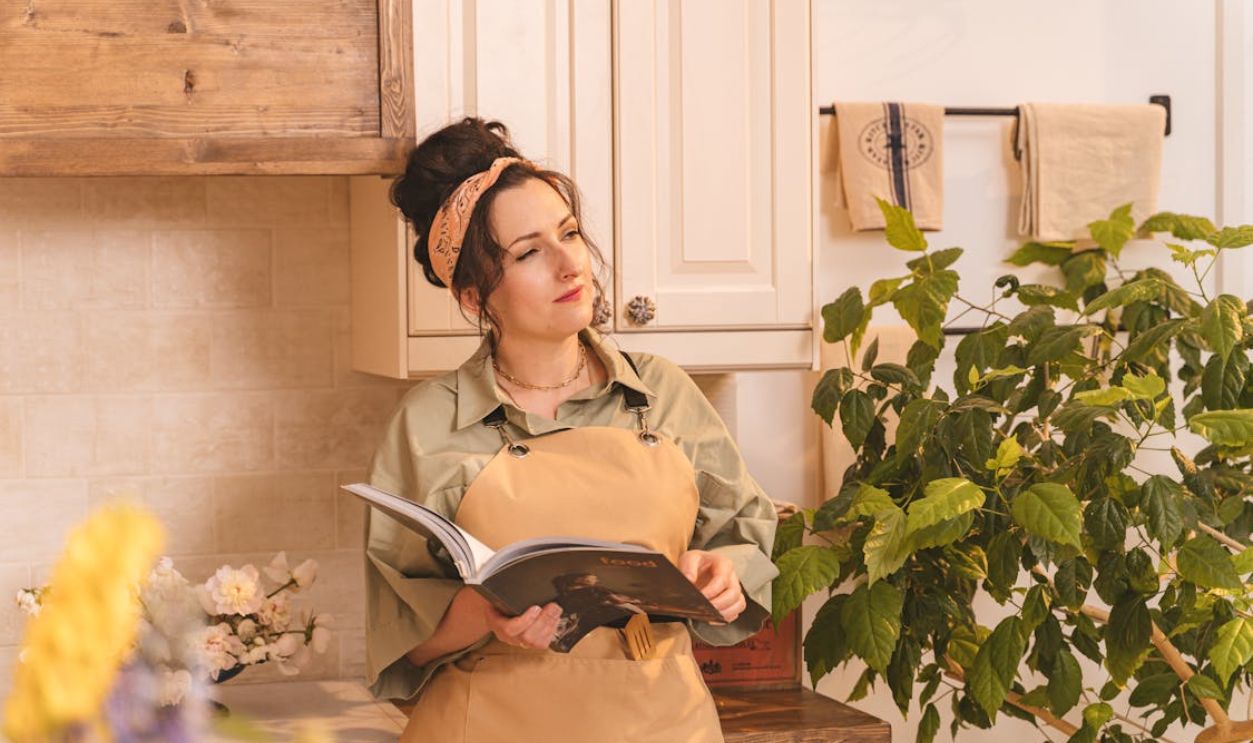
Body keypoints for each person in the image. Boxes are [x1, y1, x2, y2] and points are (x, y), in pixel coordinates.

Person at [363, 117, 779, 743]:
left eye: (570, 233)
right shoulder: (426, 422)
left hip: (663, 722)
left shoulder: (662, 392)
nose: (569, 265)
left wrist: (724, 573)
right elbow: (401, 645)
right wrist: (482, 614)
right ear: (474, 297)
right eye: (529, 252)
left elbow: (746, 536)